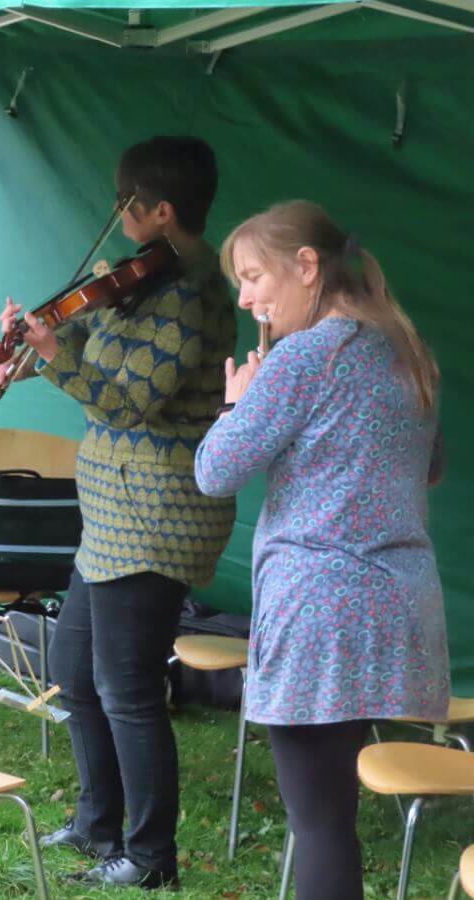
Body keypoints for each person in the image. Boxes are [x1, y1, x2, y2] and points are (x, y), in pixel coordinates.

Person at [0, 137, 237, 890]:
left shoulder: (192, 295)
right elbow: (74, 339)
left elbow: (131, 399)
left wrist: (55, 356)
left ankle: (149, 854)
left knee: (127, 684)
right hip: (111, 512)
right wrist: (23, 350)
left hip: (160, 512)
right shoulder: (131, 282)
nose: (119, 215)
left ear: (161, 212)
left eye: (126, 204)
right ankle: (100, 821)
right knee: (74, 667)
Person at [195, 200, 448, 900]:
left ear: (306, 267)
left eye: (253, 277)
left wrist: (235, 405)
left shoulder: (303, 357)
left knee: (322, 823)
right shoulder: (406, 348)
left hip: (320, 612)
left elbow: (214, 472)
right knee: (336, 813)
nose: (246, 298)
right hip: (402, 603)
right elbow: (428, 467)